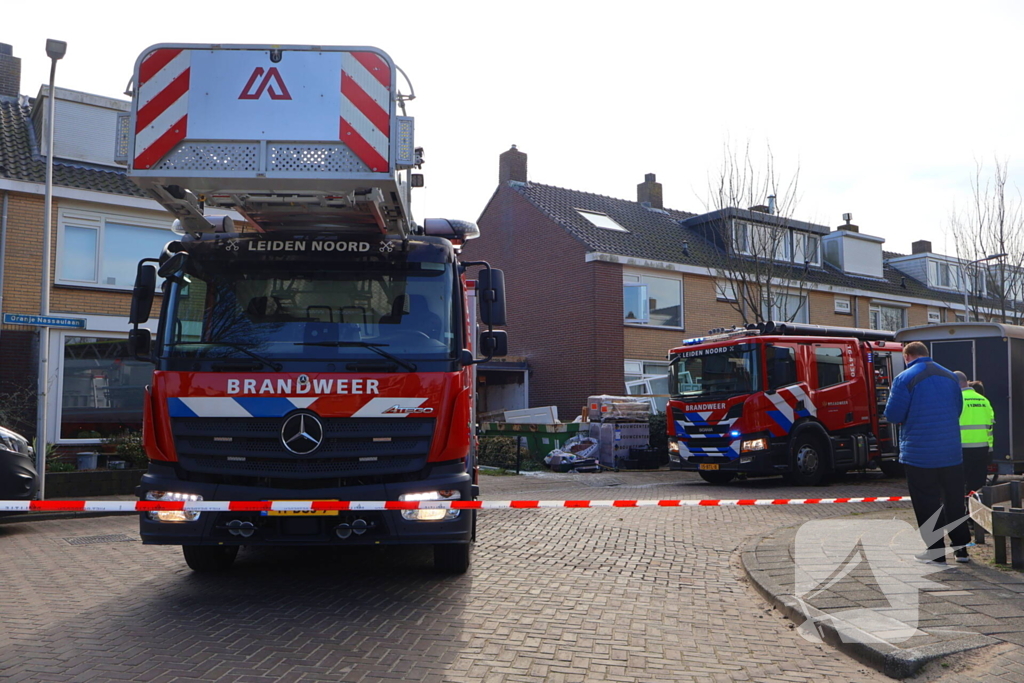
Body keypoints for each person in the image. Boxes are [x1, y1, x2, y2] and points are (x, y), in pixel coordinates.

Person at [884, 341, 970, 564]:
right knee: (954, 501)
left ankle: (936, 552)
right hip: (951, 453)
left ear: (907, 356)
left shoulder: (904, 378)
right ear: (926, 354)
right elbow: (957, 409)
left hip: (919, 455)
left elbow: (893, 415)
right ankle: (962, 550)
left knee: (926, 503)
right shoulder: (951, 377)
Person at [954, 371, 995, 496]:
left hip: (961, 449)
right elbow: (990, 427)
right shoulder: (984, 400)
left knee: (957, 486)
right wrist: (990, 450)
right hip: (982, 450)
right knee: (977, 488)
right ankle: (976, 514)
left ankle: (960, 514)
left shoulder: (956, 400)